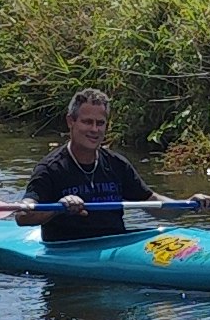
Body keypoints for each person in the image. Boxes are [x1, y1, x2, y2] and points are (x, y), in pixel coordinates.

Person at [26, 88, 157, 243]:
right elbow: (23, 217)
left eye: (100, 123)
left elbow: (153, 202)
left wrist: (190, 203)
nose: (94, 130)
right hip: (68, 250)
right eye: (87, 122)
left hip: (114, 247)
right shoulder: (49, 169)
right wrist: (58, 207)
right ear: (71, 122)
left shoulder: (117, 164)